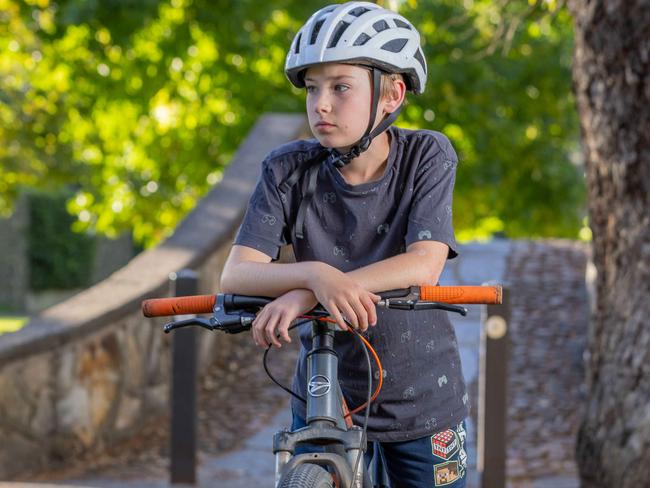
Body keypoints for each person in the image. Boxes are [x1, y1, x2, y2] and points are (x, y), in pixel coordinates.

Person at [220, 2, 468, 486]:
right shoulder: (286, 169)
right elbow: (237, 273)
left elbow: (424, 264)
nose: (321, 104)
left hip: (422, 399)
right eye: (312, 88)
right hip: (324, 391)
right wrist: (315, 276)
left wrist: (303, 294)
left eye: (341, 87)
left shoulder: (427, 155)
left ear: (392, 93)